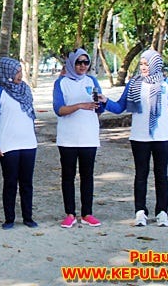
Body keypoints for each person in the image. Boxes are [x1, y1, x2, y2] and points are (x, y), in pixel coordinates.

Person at [99, 49, 168, 227]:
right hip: (139, 137)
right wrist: (105, 101)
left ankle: (162, 212)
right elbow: (119, 107)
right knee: (141, 174)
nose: (143, 67)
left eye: (147, 64)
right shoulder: (133, 84)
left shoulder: (166, 85)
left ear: (155, 65)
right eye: (141, 64)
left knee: (161, 175)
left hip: (162, 137)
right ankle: (140, 212)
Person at [52, 48, 104, 228]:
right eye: (79, 62)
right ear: (71, 63)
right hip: (68, 138)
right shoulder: (61, 83)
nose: (82, 66)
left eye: (86, 62)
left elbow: (99, 108)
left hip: (88, 136)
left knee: (87, 176)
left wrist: (101, 103)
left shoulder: (92, 81)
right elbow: (59, 109)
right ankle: (70, 213)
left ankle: (87, 213)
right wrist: (79, 105)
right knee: (68, 176)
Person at [0, 57, 38, 229]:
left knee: (27, 183)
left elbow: (30, 114)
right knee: (10, 182)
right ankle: (9, 219)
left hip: (28, 143)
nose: (20, 75)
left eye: (20, 71)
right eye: (16, 72)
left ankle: (28, 217)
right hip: (8, 145)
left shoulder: (25, 89)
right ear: (6, 72)